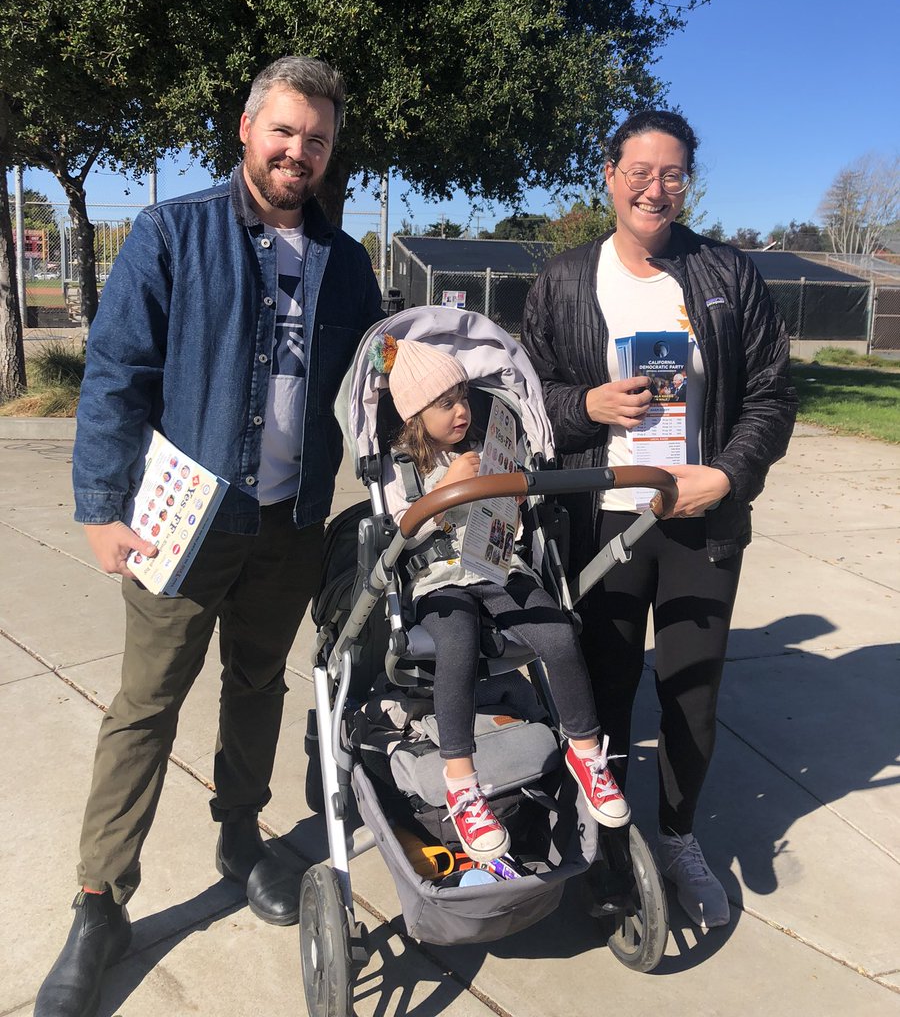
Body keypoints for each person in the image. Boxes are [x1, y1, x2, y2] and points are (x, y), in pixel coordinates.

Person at [36, 56, 384, 1017]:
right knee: (146, 703)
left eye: (316, 140)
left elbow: (373, 380)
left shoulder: (345, 263)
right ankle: (100, 902)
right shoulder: (173, 232)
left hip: (290, 526)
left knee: (259, 683)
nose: (297, 153)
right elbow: (116, 373)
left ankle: (241, 836)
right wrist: (102, 506)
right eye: (283, 132)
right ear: (246, 129)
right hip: (182, 524)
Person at [522, 110, 797, 930]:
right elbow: (525, 402)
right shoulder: (565, 279)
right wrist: (587, 405)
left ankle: (677, 838)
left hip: (697, 522)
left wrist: (727, 474)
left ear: (688, 184)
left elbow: (772, 397)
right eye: (639, 170)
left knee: (690, 694)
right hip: (601, 522)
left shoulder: (726, 273)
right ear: (608, 175)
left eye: (673, 173)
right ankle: (606, 845)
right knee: (599, 694)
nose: (656, 187)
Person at [372, 334, 630, 862]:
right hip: (439, 580)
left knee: (558, 632)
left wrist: (507, 494)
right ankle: (461, 781)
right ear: (417, 415)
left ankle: (586, 753)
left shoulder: (481, 454)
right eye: (446, 404)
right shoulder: (402, 470)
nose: (463, 411)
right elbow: (400, 532)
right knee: (458, 645)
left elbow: (505, 524)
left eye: (465, 398)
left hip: (496, 567)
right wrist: (445, 495)